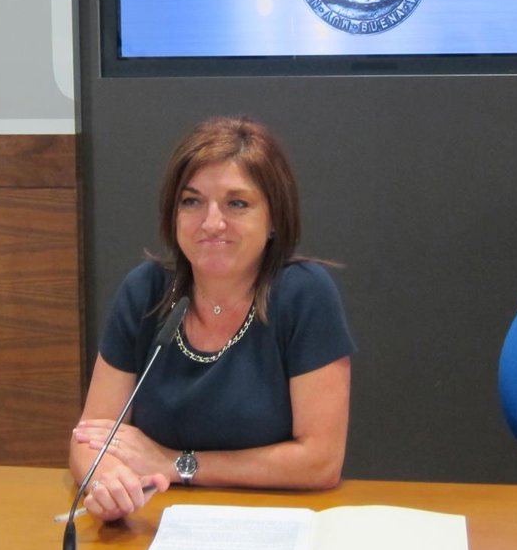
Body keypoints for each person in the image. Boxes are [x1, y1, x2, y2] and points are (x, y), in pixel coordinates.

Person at [71, 116, 355, 521]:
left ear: (274, 219)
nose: (211, 223)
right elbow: (90, 436)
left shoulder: (304, 294)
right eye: (192, 201)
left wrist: (177, 463)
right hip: (155, 523)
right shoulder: (146, 289)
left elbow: (320, 461)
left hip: (270, 524)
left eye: (237, 203)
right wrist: (108, 483)